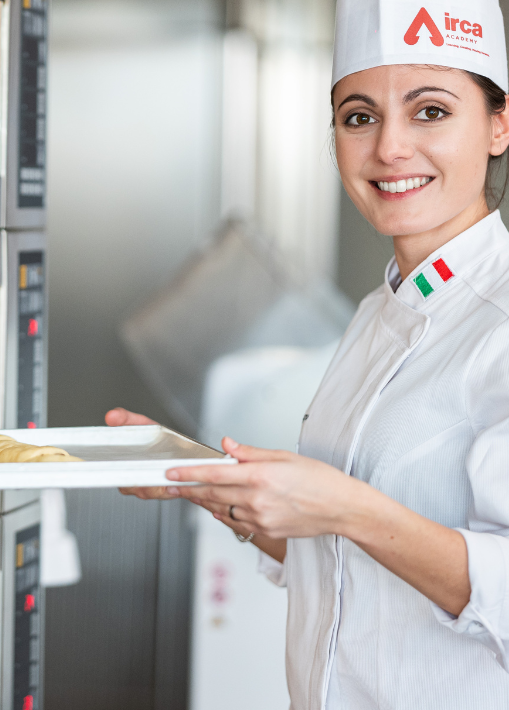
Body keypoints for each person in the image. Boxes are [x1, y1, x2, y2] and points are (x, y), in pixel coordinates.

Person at [108, 1, 509, 707]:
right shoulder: (378, 314)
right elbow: (341, 565)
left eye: (430, 111)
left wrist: (346, 507)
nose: (389, 148)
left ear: (499, 125)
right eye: (359, 117)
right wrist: (217, 491)